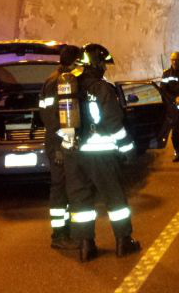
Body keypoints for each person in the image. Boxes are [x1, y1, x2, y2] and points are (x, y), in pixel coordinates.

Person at [62, 43, 140, 262]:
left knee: (81, 202)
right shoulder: (102, 88)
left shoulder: (68, 86)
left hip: (74, 153)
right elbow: (114, 123)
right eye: (103, 63)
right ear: (95, 63)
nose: (105, 68)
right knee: (115, 198)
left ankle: (86, 247)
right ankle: (124, 243)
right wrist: (128, 149)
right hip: (101, 153)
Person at [39, 45, 81, 250]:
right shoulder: (56, 82)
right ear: (72, 62)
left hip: (63, 142)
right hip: (58, 144)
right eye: (78, 62)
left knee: (68, 187)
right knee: (59, 189)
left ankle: (67, 231)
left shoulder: (64, 80)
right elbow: (50, 118)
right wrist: (60, 145)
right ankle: (59, 234)